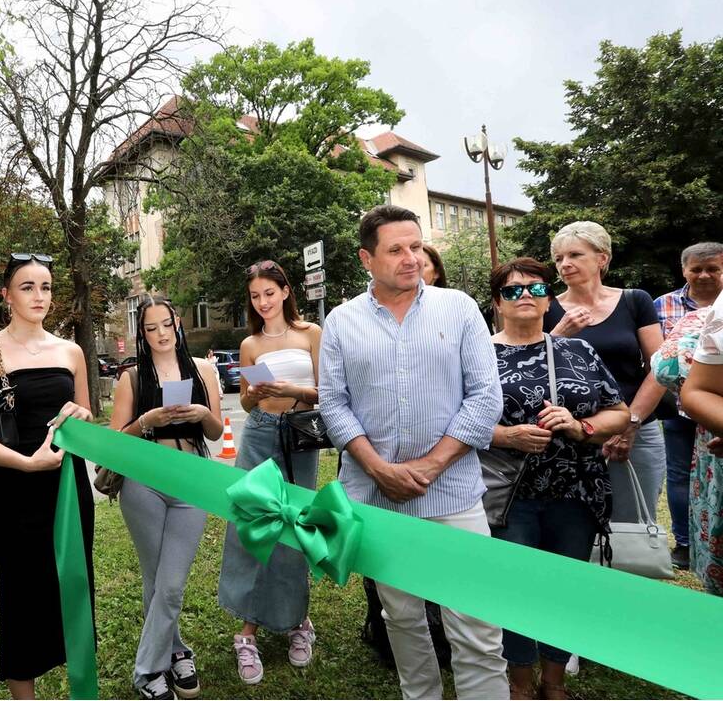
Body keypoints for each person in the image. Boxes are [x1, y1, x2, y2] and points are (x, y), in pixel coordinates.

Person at [319, 204, 509, 700]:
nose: (411, 258)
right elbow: (333, 405)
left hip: (455, 496)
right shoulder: (341, 322)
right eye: (396, 249)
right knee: (400, 617)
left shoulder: (460, 308)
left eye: (417, 246)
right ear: (366, 258)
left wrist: (428, 466)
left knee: (476, 622)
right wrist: (379, 469)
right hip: (377, 498)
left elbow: (486, 398)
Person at [0, 252, 94, 700]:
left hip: (69, 491)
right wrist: (26, 463)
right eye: (27, 287)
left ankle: (82, 689)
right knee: (20, 602)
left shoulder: (70, 351)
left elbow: (87, 421)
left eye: (46, 287)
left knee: (71, 592)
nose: (38, 295)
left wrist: (81, 413)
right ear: (6, 296)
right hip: (16, 493)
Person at [487, 258, 629, 700]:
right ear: (497, 303)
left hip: (576, 489)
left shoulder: (578, 351)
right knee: (515, 588)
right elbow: (449, 422)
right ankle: (519, 682)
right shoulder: (477, 355)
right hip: (511, 495)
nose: (524, 296)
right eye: (512, 291)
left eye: (534, 288)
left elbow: (618, 412)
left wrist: (580, 425)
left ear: (549, 298)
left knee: (566, 589)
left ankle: (555, 680)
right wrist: (507, 435)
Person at [109, 295, 222, 700]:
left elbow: (215, 432)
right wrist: (147, 420)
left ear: (178, 323)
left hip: (191, 482)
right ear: (142, 333)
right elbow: (113, 444)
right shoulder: (132, 378)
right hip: (145, 483)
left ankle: (149, 667)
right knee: (157, 580)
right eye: (150, 327)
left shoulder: (204, 370)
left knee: (170, 584)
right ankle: (169, 658)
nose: (160, 334)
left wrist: (200, 414)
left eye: (165, 324)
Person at [218, 259, 323, 686]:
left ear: (284, 291)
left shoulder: (310, 334)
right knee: (251, 525)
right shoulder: (250, 345)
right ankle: (248, 629)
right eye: (255, 296)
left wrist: (291, 390)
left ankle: (298, 620)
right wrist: (257, 394)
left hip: (299, 436)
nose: (262, 302)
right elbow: (244, 403)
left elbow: (327, 391)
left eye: (268, 293)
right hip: (260, 433)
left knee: (295, 529)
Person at [542, 221, 667, 526]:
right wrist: (559, 334)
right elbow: (532, 368)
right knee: (574, 528)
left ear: (602, 258)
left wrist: (630, 424)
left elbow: (660, 367)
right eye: (559, 258)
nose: (565, 264)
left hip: (638, 431)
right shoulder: (546, 307)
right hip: (571, 433)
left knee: (633, 525)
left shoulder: (635, 300)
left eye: (575, 255)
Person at [653, 242, 723, 569]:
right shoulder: (662, 306)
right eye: (697, 269)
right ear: (684, 270)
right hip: (680, 410)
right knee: (682, 478)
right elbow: (655, 363)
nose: (705, 275)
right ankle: (685, 542)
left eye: (713, 268)